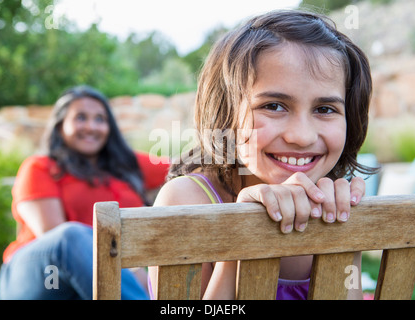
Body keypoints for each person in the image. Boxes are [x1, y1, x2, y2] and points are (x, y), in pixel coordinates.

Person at [149, 10, 378, 300]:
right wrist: (244, 233)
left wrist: (348, 233)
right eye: (274, 106)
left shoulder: (332, 204)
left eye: (325, 109)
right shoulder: (184, 201)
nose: (302, 136)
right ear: (225, 112)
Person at [0, 85, 169, 299]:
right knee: (70, 236)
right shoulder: (40, 167)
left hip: (101, 276)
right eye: (80, 118)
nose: (91, 126)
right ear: (60, 126)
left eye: (100, 119)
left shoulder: (127, 166)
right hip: (39, 275)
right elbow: (53, 236)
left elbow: (183, 167)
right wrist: (132, 271)